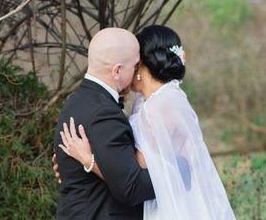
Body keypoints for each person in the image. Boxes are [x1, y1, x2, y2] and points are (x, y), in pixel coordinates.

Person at [59, 25, 235, 219]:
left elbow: (138, 181)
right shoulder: (144, 103)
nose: (133, 68)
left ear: (142, 65)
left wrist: (89, 161)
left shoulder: (163, 104)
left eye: (135, 63)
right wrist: (73, 167)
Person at [53, 27, 155, 219]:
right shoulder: (104, 113)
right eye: (135, 65)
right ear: (117, 70)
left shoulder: (77, 101)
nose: (137, 71)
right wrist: (177, 171)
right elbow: (131, 188)